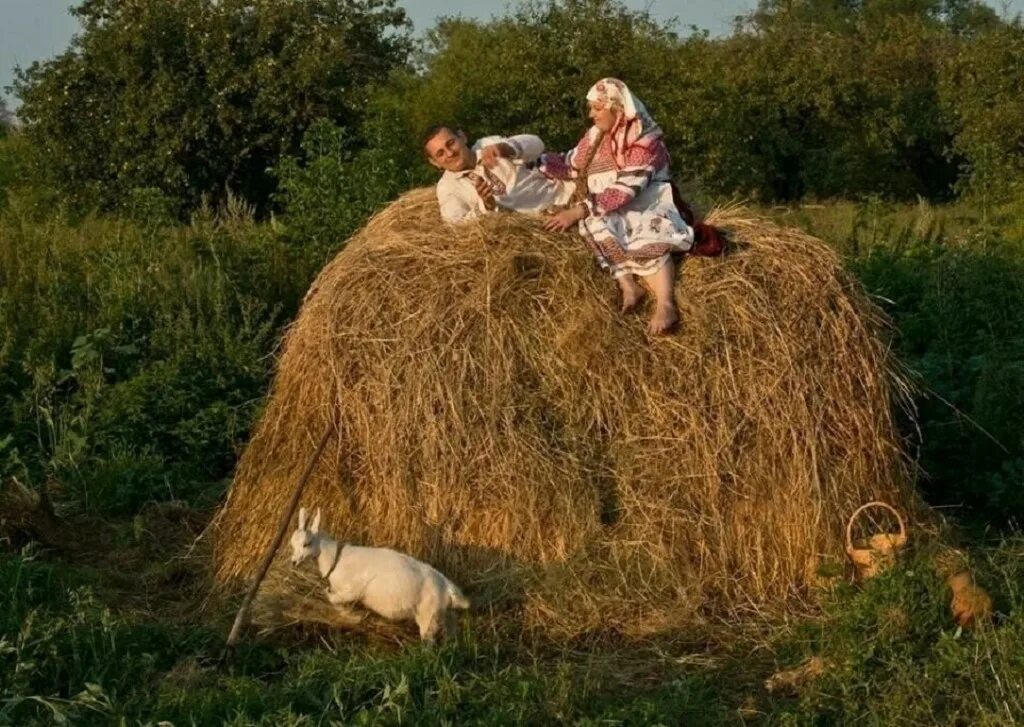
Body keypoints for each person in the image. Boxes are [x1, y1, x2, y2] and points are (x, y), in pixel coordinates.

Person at [540, 78, 694, 335]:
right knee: (594, 223)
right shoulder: (596, 135)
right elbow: (571, 164)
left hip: (648, 199)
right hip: (609, 203)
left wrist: (579, 209)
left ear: (617, 107)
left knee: (646, 233)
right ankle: (627, 285)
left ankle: (666, 304)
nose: (591, 115)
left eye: (597, 108)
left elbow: (628, 188)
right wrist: (531, 161)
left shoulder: (646, 139)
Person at [423, 126, 574, 224]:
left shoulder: (487, 144)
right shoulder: (448, 187)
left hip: (565, 197)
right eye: (440, 153)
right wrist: (485, 206)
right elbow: (456, 225)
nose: (450, 153)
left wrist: (506, 148)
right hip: (537, 227)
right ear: (435, 162)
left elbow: (537, 144)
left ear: (462, 137)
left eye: (450, 143)